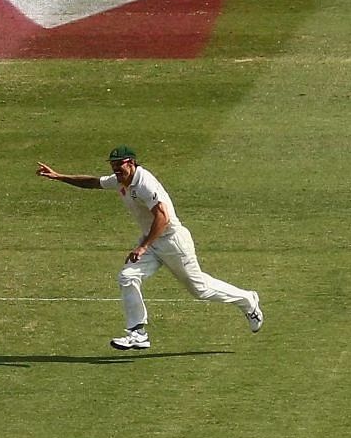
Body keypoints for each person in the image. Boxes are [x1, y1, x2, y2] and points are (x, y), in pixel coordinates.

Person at [36, 146, 262, 350]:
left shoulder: (144, 183)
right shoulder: (121, 180)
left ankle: (248, 300)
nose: (116, 169)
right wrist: (58, 176)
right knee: (127, 277)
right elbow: (93, 182)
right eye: (113, 165)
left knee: (199, 289)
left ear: (131, 163)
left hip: (173, 242)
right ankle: (137, 332)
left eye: (120, 164)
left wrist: (143, 247)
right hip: (151, 241)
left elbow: (162, 217)